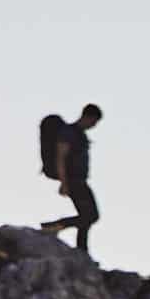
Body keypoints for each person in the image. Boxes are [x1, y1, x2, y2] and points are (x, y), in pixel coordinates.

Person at [37, 101, 104, 261]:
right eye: (94, 122)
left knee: (86, 216)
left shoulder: (78, 134)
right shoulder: (69, 132)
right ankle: (54, 226)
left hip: (78, 180)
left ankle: (82, 251)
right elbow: (61, 156)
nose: (94, 125)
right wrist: (64, 182)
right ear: (88, 117)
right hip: (74, 180)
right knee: (92, 215)